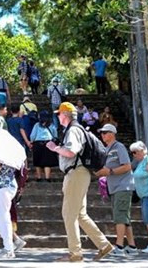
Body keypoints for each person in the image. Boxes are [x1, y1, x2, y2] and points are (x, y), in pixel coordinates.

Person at [46, 102, 114, 262]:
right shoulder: (75, 129)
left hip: (76, 174)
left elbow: (70, 151)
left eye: (59, 114)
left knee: (69, 214)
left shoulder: (74, 130)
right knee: (80, 214)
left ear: (65, 115)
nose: (57, 116)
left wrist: (54, 148)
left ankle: (75, 254)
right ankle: (104, 245)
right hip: (79, 174)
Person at [95, 124, 138, 256]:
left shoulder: (119, 147)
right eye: (101, 133)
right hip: (115, 187)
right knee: (124, 217)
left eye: (105, 132)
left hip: (123, 186)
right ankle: (132, 246)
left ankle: (119, 247)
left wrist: (110, 171)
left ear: (112, 133)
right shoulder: (107, 149)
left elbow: (127, 166)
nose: (102, 135)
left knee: (120, 217)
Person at [29, 110, 58, 182]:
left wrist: (31, 142)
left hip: (37, 144)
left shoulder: (36, 125)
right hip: (49, 144)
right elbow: (55, 135)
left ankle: (39, 177)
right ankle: (47, 177)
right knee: (47, 162)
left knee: (38, 161)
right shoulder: (51, 125)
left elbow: (32, 135)